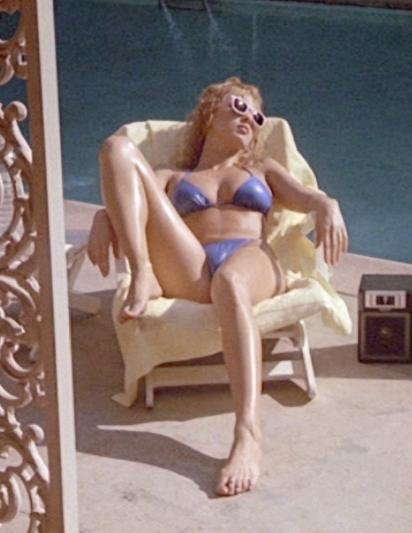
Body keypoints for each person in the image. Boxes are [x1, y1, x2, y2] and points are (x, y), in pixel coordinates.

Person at [86, 77, 348, 497]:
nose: (250, 118)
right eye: (239, 106)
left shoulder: (261, 169)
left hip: (252, 261)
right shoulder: (173, 177)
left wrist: (328, 205)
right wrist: (104, 218)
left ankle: (248, 433)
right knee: (117, 148)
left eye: (257, 117)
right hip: (191, 269)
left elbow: (308, 198)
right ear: (210, 111)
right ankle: (143, 272)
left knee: (230, 281)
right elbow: (126, 192)